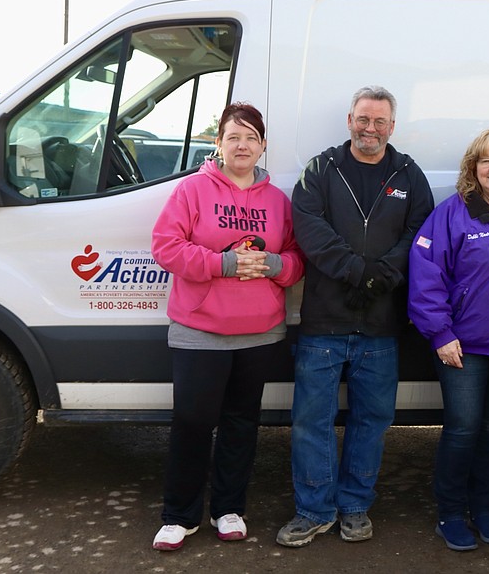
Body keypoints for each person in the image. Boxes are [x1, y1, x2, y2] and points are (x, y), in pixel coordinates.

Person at [277, 86, 434, 548]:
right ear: (349, 120)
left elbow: (419, 232)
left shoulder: (408, 173)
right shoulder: (321, 170)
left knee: (371, 421)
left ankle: (354, 506)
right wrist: (357, 272)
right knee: (312, 421)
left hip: (382, 325)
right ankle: (313, 509)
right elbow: (310, 229)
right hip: (324, 322)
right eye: (363, 119)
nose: (370, 128)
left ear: (392, 126)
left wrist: (383, 275)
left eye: (380, 121)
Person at [150, 102, 304, 551]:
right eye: (233, 137)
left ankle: (229, 509)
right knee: (194, 422)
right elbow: (166, 248)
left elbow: (296, 262)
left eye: (251, 138)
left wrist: (275, 263)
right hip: (200, 329)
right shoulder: (192, 191)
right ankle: (179, 516)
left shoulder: (278, 201)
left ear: (263, 147)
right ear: (218, 143)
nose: (242, 145)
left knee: (241, 422)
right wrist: (224, 263)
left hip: (260, 331)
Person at [408, 130, 489, 552]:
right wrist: (441, 333)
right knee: (463, 429)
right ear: (473, 168)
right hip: (462, 346)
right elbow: (426, 275)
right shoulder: (453, 213)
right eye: (486, 161)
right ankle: (450, 512)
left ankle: (483, 508)